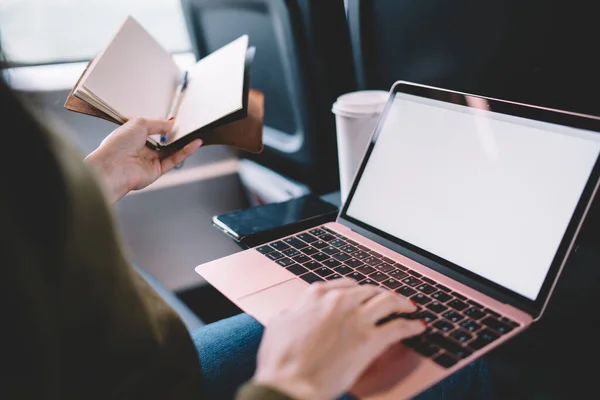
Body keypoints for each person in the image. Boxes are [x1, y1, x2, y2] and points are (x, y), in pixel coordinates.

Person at [0, 67, 494, 399]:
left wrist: (98, 179)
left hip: (134, 366)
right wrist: (290, 383)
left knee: (342, 308)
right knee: (460, 354)